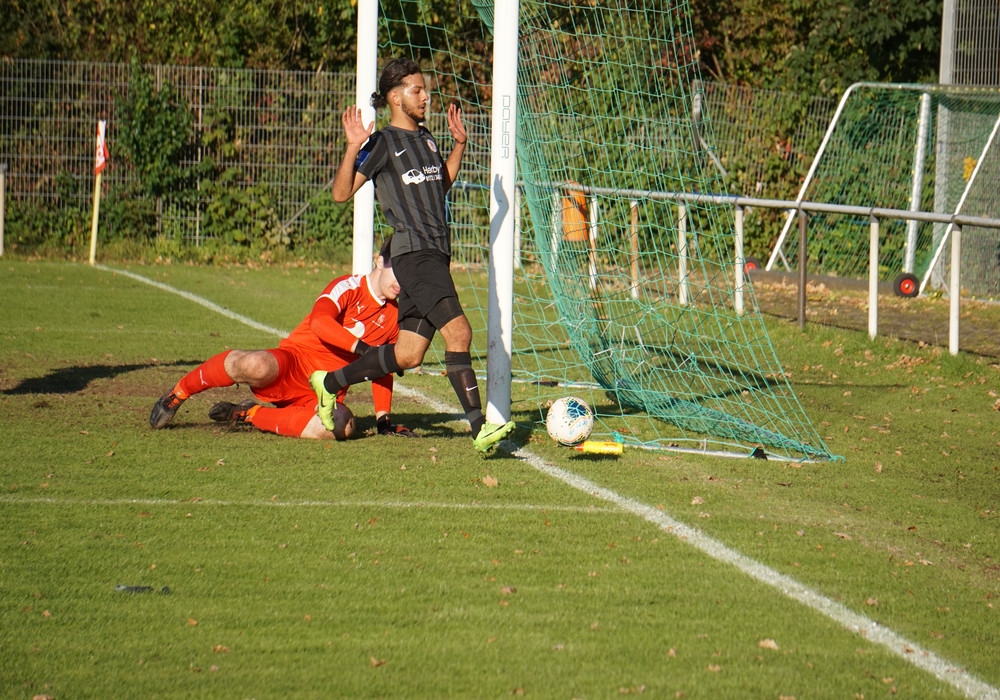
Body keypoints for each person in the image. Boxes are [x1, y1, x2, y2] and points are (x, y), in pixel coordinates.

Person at [310, 57, 515, 453]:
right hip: (413, 254)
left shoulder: (426, 138)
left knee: (408, 353)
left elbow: (441, 184)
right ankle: (479, 428)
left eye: (425, 89)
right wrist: (353, 147)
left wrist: (458, 145)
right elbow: (340, 193)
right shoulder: (382, 143)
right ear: (394, 97)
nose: (426, 97)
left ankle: (330, 382)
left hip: (435, 254)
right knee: (460, 332)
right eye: (417, 90)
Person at [149, 241, 415, 440]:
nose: (401, 283)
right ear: (379, 261)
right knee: (255, 365)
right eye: (398, 271)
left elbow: (382, 368)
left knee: (342, 425)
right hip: (293, 363)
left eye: (408, 277)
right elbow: (319, 323)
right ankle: (177, 394)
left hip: (325, 391)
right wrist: (364, 349)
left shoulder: (395, 317)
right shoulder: (347, 287)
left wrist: (383, 421)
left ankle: (249, 414)